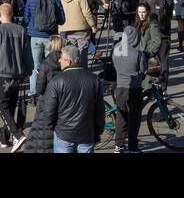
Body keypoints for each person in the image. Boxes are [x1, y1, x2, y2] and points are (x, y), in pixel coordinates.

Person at [40, 44, 107, 153]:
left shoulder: (56, 81)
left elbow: (49, 110)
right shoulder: (94, 80)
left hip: (64, 134)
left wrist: (51, 127)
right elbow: (100, 109)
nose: (59, 61)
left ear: (68, 62)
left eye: (61, 59)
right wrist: (98, 130)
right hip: (86, 134)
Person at [0, 2, 33, 152]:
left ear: (0, 15)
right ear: (11, 14)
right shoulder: (20, 30)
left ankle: (17, 135)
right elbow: (27, 52)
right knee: (11, 106)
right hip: (18, 73)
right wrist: (29, 70)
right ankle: (5, 137)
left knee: (1, 105)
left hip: (1, 73)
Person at [111, 24, 144, 153]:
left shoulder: (116, 49)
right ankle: (133, 147)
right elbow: (143, 70)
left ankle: (118, 145)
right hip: (134, 89)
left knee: (121, 118)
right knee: (134, 119)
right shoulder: (138, 54)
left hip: (119, 88)